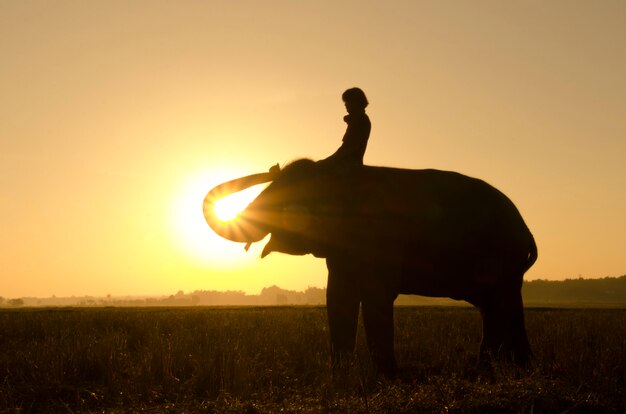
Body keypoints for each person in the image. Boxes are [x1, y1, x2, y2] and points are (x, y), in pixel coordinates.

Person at [320, 87, 371, 168]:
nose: (345, 104)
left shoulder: (360, 120)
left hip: (349, 165)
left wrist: (328, 161)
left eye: (348, 101)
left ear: (356, 102)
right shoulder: (357, 119)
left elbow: (350, 147)